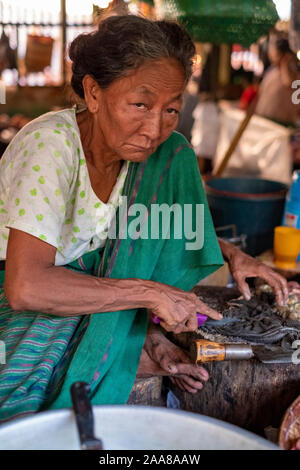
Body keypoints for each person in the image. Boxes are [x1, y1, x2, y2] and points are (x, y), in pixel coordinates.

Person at [0, 15, 288, 422]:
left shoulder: (151, 157)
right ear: (94, 93)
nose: (154, 128)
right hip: (19, 299)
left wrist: (231, 255)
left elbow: (143, 229)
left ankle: (132, 343)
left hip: (86, 293)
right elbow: (25, 287)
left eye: (171, 109)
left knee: (177, 151)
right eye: (140, 104)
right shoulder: (50, 146)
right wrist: (149, 293)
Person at [255, 31, 300, 126]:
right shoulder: (273, 70)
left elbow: (289, 83)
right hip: (264, 121)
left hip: (281, 126)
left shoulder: (292, 70)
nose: (271, 52)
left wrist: (285, 62)